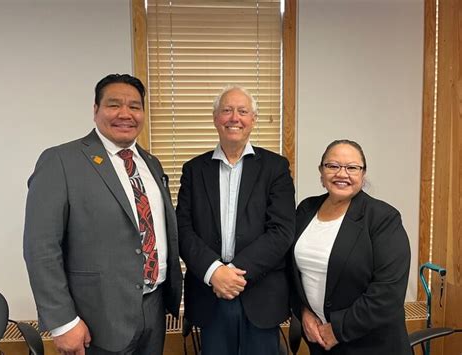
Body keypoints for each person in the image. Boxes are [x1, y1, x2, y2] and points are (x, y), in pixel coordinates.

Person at [23, 73, 182, 355]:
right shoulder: (61, 161)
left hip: (154, 310)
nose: (125, 114)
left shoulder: (151, 164)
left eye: (134, 106)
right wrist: (62, 322)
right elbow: (41, 248)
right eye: (113, 105)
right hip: (96, 319)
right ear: (95, 110)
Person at [175, 85, 295, 355]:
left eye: (243, 111)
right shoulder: (194, 170)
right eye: (227, 110)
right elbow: (182, 229)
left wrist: (234, 273)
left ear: (253, 119)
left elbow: (282, 231)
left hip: (261, 294)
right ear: (215, 118)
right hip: (210, 293)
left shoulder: (275, 168)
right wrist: (215, 272)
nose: (234, 118)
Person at [290, 139, 411, 354]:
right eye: (333, 166)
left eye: (352, 168)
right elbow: (290, 272)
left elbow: (388, 293)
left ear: (363, 175)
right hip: (320, 342)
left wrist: (338, 330)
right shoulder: (306, 209)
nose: (342, 174)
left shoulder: (383, 218)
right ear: (321, 172)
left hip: (371, 344)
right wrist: (303, 311)